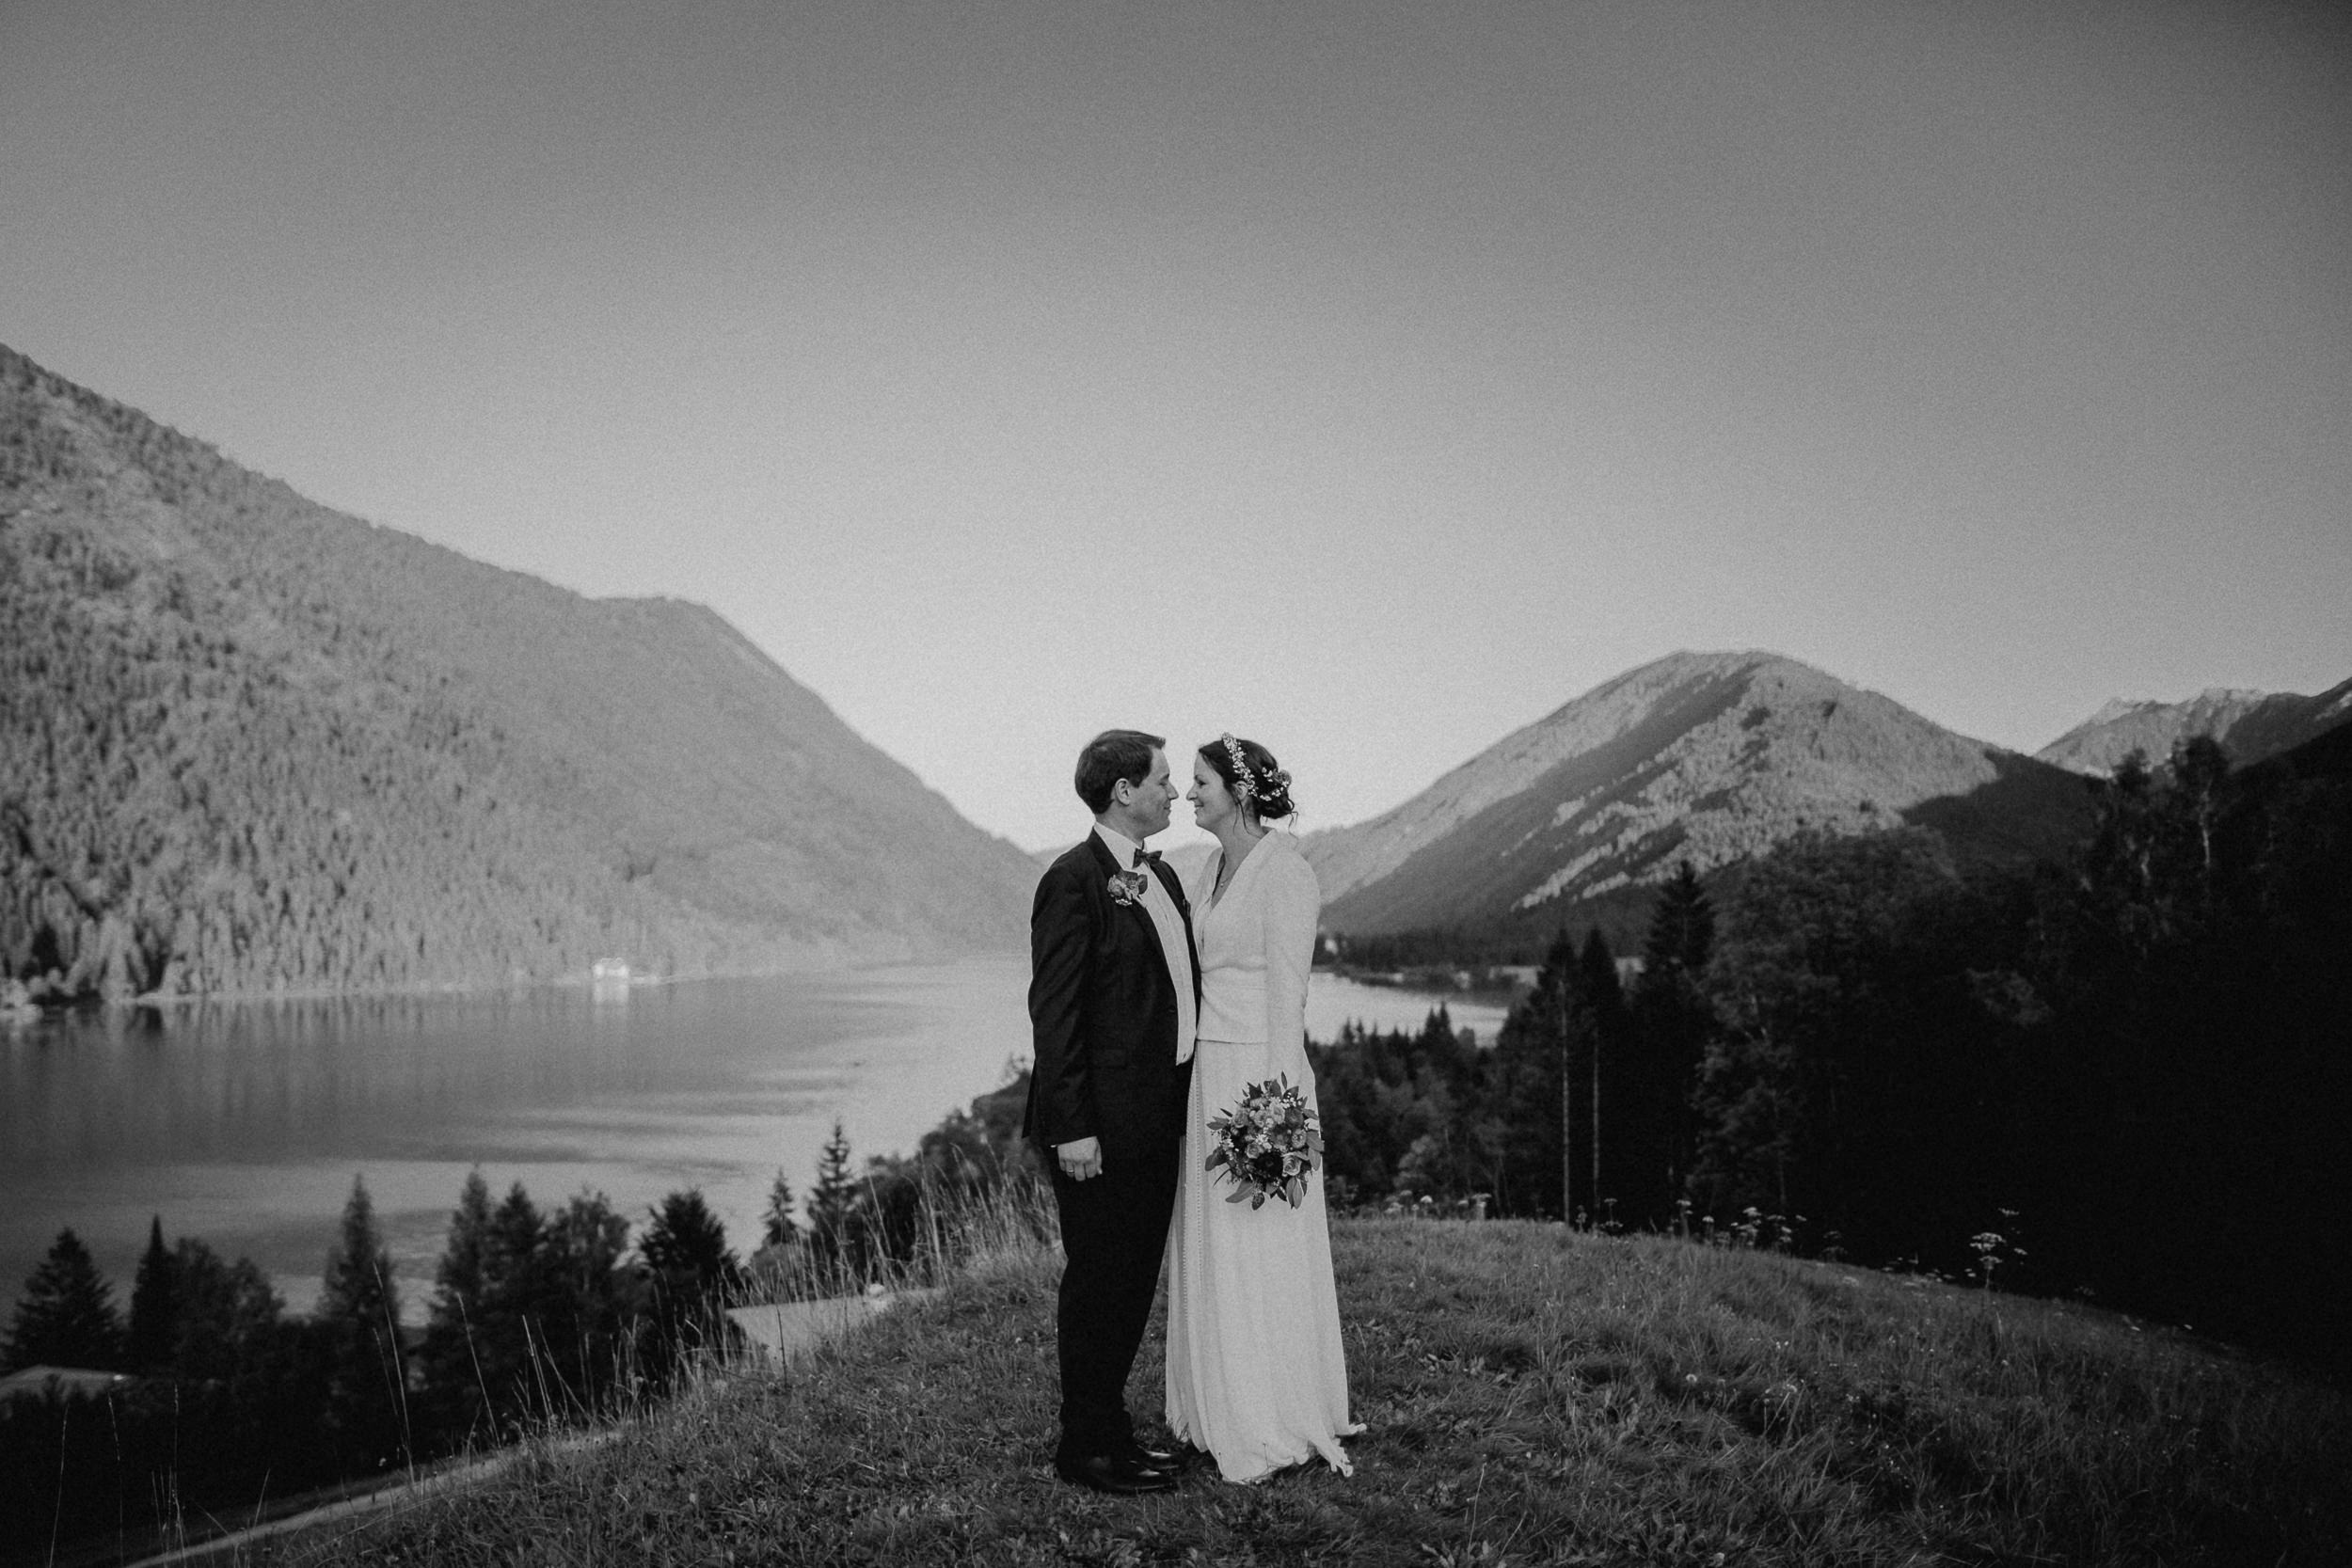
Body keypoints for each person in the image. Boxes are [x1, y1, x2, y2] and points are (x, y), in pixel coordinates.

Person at [1166, 734, 1359, 1482]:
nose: (1188, 793)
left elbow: (1289, 995)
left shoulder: (1288, 872)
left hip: (1255, 1076)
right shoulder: (1209, 866)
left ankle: (1268, 1408)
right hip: (1204, 1069)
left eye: (1201, 780)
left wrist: (1279, 1109)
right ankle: (1215, 1402)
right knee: (1213, 1237)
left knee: (1258, 1236)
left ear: (1240, 790)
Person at [1025, 729, 1200, 1495]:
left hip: (1157, 1121)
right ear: (1122, 791)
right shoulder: (1073, 880)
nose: (1174, 793)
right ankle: (1085, 1447)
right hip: (1099, 1129)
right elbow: (1054, 1012)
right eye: (1162, 780)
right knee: (1099, 1283)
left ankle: (1112, 1430)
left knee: (1130, 1285)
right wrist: (1074, 1127)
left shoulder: (1159, 876)